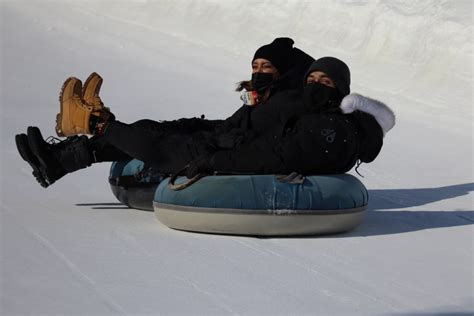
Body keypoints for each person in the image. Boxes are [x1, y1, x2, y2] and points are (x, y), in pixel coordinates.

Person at [16, 38, 316, 187]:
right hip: (223, 141)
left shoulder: (287, 102)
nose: (258, 72)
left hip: (226, 157)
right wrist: (187, 125)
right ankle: (57, 160)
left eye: (266, 67)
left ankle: (95, 122)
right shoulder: (264, 97)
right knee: (153, 127)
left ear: (284, 71)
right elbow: (232, 124)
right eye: (255, 66)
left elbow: (258, 141)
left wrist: (211, 142)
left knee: (160, 146)